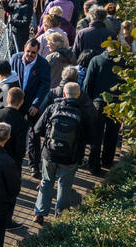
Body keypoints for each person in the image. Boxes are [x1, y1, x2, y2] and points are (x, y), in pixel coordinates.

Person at [32, 82, 92, 224]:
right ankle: (60, 216)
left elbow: (37, 129)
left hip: (50, 153)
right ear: (78, 96)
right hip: (70, 156)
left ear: (63, 94)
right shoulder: (82, 113)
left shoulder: (52, 108)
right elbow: (88, 137)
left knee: (46, 181)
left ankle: (39, 214)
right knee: (64, 185)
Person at [10, 39, 51, 178]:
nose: (29, 55)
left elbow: (44, 86)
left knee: (34, 134)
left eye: (33, 52)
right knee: (13, 131)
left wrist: (36, 104)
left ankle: (34, 165)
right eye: (28, 51)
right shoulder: (15, 58)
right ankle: (13, 159)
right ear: (24, 48)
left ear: (38, 52)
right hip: (16, 103)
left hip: (31, 104)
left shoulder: (43, 64)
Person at [83, 49, 121, 174]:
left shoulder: (96, 60)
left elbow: (88, 83)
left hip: (98, 102)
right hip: (116, 103)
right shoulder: (124, 62)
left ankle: (94, 164)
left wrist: (88, 101)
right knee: (112, 133)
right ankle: (107, 160)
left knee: (96, 134)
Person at [0, 86, 28, 167]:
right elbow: (20, 148)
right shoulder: (22, 121)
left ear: (7, 99)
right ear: (22, 102)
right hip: (11, 162)